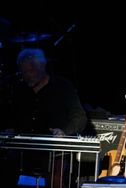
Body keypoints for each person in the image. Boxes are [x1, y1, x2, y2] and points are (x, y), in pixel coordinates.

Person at [0, 48, 87, 187]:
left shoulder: (62, 86)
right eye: (25, 72)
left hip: (54, 151)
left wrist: (64, 131)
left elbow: (80, 117)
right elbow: (10, 116)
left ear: (42, 66)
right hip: (24, 150)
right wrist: (10, 128)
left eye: (32, 71)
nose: (28, 75)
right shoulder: (18, 89)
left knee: (56, 176)